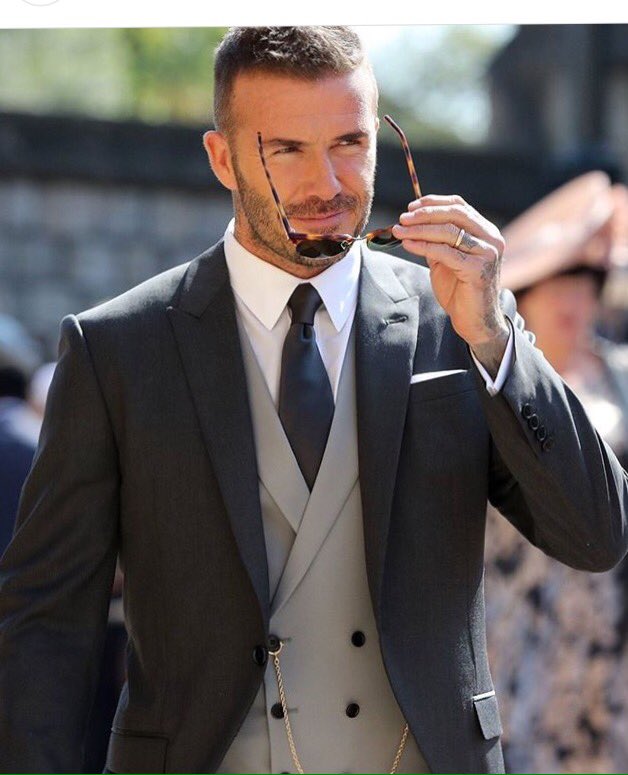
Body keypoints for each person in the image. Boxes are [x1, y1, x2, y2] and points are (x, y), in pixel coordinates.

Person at [0, 26, 627, 775]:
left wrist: (495, 340)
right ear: (222, 159)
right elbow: (45, 625)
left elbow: (598, 536)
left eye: (349, 143)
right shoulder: (118, 349)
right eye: (288, 149)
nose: (326, 183)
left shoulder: (458, 320)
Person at [484, 171, 628, 773]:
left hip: (604, 624)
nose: (573, 304)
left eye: (584, 288)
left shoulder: (619, 377)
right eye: (557, 287)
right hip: (512, 612)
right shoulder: (498, 384)